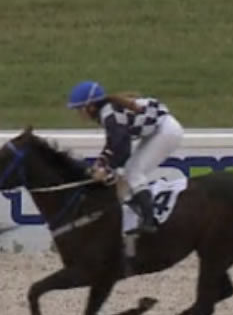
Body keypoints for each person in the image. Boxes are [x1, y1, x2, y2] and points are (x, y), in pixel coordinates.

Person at [67, 80, 184, 234]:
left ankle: (149, 220)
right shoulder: (107, 112)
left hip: (166, 131)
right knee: (129, 171)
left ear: (90, 106)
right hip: (157, 130)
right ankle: (137, 204)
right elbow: (114, 144)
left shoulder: (109, 114)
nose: (78, 113)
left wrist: (106, 169)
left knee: (134, 172)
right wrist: (102, 163)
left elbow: (122, 148)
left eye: (79, 109)